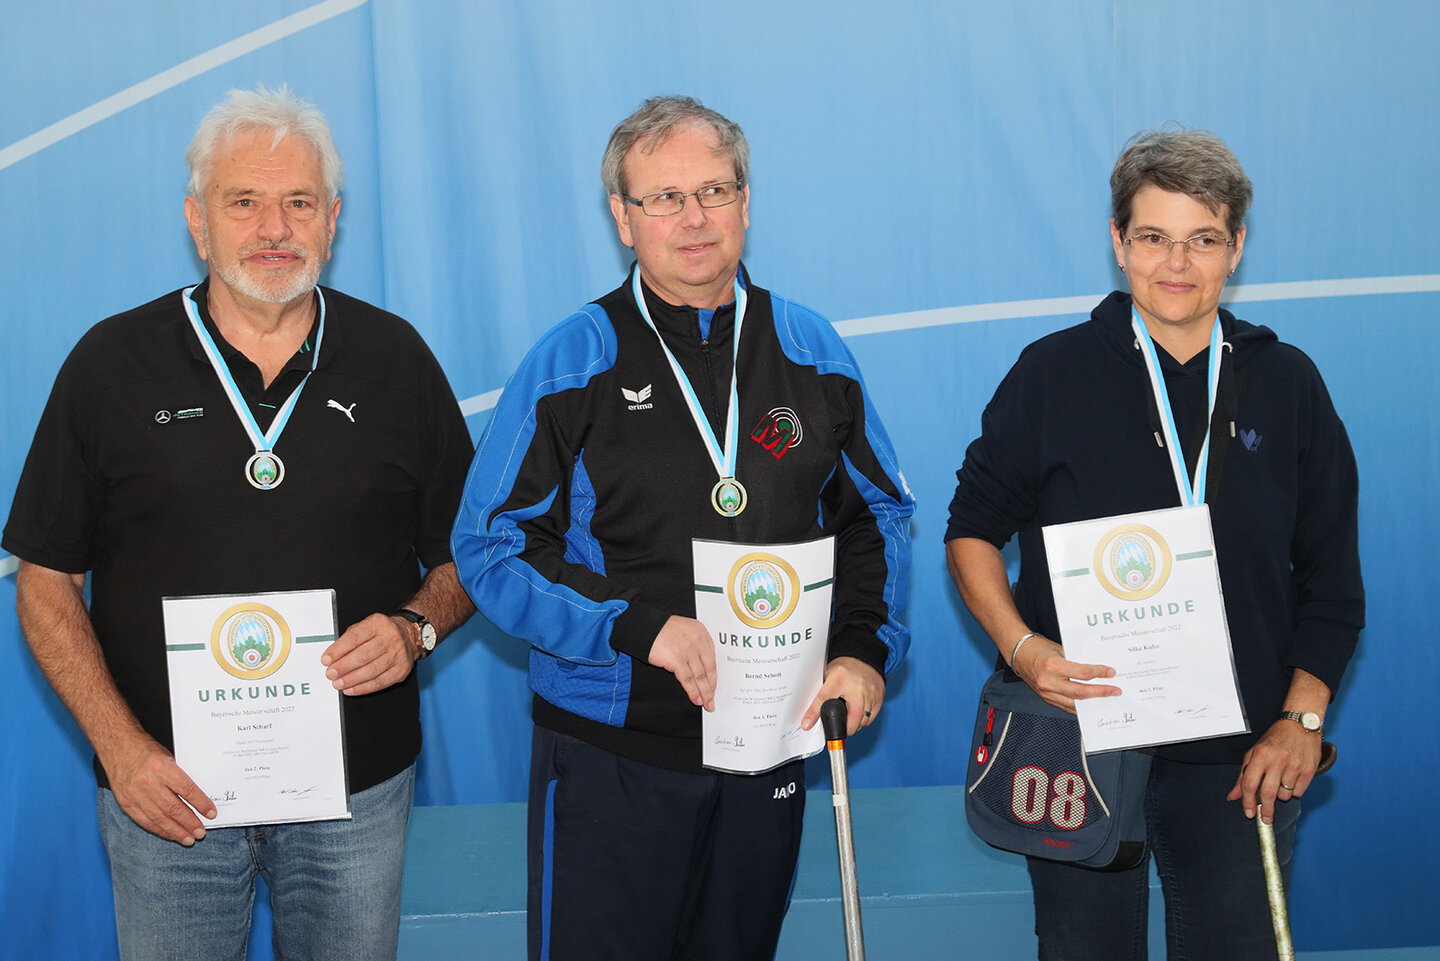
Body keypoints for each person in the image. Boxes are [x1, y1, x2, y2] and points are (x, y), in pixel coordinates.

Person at [3, 85, 474, 961]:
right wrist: (121, 750)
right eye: (244, 201)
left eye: (299, 201)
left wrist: (416, 628)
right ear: (198, 221)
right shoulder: (111, 364)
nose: (274, 228)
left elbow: (468, 557)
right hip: (167, 795)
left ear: (332, 220)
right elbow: (45, 581)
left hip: (355, 791)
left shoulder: (396, 360)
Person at [452, 95, 914, 961]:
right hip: (612, 755)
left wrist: (862, 649)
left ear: (746, 200)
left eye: (714, 190)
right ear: (623, 217)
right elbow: (491, 546)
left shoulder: (812, 349)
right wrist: (636, 625)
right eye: (664, 198)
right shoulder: (571, 360)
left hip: (768, 743)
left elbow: (874, 517)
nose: (694, 218)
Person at [945, 128, 1363, 960]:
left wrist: (1301, 719)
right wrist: (1022, 648)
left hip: (1245, 758)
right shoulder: (1052, 374)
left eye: (1202, 239)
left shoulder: (1288, 383)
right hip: (1080, 741)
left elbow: (1332, 578)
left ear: (1235, 248)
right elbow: (971, 531)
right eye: (1153, 237)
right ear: (1118, 242)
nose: (1176, 263)